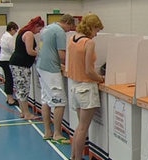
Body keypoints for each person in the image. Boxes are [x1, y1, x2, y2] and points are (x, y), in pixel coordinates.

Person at [67, 13, 104, 160]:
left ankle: (74, 156)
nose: (96, 34)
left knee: (79, 127)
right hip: (86, 88)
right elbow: (89, 70)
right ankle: (78, 158)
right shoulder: (89, 43)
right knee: (83, 129)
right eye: (97, 30)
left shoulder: (72, 39)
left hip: (75, 86)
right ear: (91, 27)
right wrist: (100, 78)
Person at [36, 14, 75, 144]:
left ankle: (47, 132)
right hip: (51, 69)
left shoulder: (47, 28)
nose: (70, 30)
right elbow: (62, 54)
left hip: (41, 66)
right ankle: (57, 134)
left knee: (46, 99)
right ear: (68, 23)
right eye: (71, 26)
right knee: (60, 101)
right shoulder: (59, 32)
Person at [9, 16, 44, 120]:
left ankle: (23, 112)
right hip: (21, 65)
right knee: (23, 89)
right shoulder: (29, 34)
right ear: (36, 26)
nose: (39, 31)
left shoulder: (22, 32)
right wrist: (41, 53)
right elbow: (30, 51)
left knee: (19, 89)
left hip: (17, 63)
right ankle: (27, 114)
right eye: (39, 29)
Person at [0, 21, 19, 106]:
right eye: (15, 30)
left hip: (2, 59)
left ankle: (8, 98)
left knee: (8, 79)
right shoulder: (9, 37)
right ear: (12, 29)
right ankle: (10, 100)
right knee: (9, 79)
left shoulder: (4, 35)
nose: (15, 33)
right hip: (7, 60)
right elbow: (13, 50)